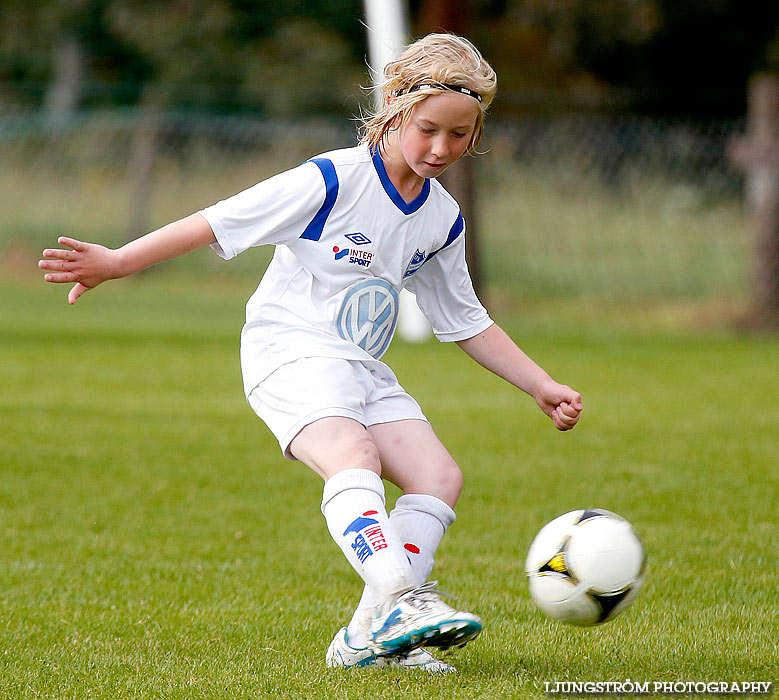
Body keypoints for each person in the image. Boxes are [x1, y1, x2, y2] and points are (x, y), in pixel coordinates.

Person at [39, 33, 582, 673]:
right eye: (429, 129)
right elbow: (217, 220)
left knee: (439, 477)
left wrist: (540, 385)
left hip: (359, 368)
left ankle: (365, 639)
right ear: (396, 107)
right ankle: (401, 599)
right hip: (288, 353)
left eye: (460, 136)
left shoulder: (441, 217)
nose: (442, 149)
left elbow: (465, 321)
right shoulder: (332, 180)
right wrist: (118, 261)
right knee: (353, 455)